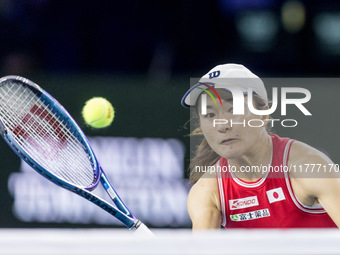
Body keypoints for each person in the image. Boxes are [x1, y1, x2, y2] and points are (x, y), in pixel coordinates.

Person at [181, 63, 340, 229]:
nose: (222, 125)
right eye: (210, 114)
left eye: (233, 109)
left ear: (263, 114)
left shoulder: (309, 168)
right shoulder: (206, 191)